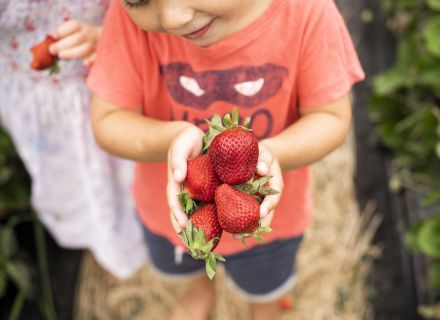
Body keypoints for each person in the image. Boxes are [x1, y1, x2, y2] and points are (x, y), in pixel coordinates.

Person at [88, 0, 365, 318]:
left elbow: (331, 117)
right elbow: (107, 120)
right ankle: (200, 290)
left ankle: (265, 307)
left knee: (264, 283)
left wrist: (272, 154)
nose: (173, 18)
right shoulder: (127, 23)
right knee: (188, 263)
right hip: (176, 217)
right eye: (139, 0)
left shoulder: (306, 12)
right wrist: (171, 138)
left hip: (266, 223)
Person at [0, 1, 147, 279]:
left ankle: (156, 235)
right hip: (45, 99)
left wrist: (113, 34)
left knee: (138, 163)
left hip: (120, 62)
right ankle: (117, 247)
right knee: (83, 184)